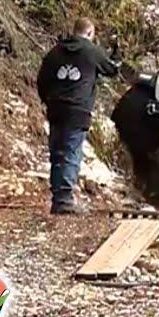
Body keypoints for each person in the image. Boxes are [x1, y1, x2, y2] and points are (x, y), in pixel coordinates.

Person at [37, 18, 120, 214]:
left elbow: (41, 80)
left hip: (56, 109)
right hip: (78, 111)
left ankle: (58, 198)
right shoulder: (92, 51)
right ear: (90, 33)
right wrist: (116, 51)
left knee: (57, 152)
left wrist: (48, 100)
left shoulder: (55, 52)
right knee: (71, 152)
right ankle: (64, 199)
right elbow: (112, 69)